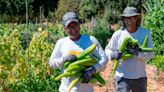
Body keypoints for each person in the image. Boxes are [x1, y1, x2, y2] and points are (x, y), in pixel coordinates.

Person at [49, 12, 108, 92]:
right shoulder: (61, 43)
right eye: (69, 26)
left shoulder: (90, 40)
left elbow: (104, 59)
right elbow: (51, 63)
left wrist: (92, 70)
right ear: (65, 29)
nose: (73, 28)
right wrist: (64, 59)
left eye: (75, 25)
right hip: (66, 89)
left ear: (79, 25)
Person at [105, 7, 154, 92]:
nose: (129, 21)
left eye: (131, 18)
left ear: (136, 18)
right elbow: (107, 50)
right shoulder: (118, 34)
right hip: (122, 76)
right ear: (123, 19)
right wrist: (113, 54)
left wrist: (137, 53)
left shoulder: (145, 33)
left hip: (140, 76)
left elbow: (151, 54)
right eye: (126, 18)